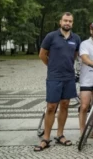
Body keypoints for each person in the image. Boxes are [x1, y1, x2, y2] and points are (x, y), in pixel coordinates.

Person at [34, 12, 81, 151]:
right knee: (51, 107)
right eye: (65, 20)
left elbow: (75, 55)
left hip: (69, 76)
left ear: (72, 23)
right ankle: (46, 138)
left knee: (65, 105)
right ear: (60, 22)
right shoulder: (51, 36)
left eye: (70, 21)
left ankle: (60, 135)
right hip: (54, 77)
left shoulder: (76, 38)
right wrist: (52, 66)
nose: (67, 23)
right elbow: (42, 55)